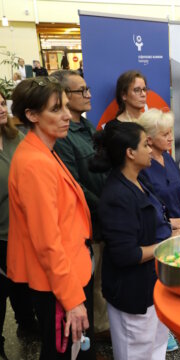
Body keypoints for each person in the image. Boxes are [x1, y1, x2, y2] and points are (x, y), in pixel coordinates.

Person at [8, 77, 94, 359]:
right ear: (32, 115)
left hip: (68, 273)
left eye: (66, 107)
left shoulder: (43, 150)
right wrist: (71, 300)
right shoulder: (35, 163)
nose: (67, 116)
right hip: (60, 283)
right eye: (56, 109)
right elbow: (47, 242)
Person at [92, 122, 172, 359]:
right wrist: (166, 247)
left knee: (156, 346)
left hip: (153, 284)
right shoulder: (117, 195)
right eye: (145, 145)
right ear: (130, 152)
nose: (151, 150)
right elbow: (126, 254)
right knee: (136, 351)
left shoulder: (140, 179)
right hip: (132, 291)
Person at [50, 70, 110, 336]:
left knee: (105, 275)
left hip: (105, 211)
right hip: (91, 218)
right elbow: (75, 186)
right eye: (81, 91)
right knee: (94, 279)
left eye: (87, 89)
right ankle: (98, 330)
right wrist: (105, 206)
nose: (88, 95)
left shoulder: (87, 126)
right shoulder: (63, 137)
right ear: (64, 96)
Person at [136, 108, 180, 352]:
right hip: (162, 233)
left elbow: (179, 189)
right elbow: (147, 207)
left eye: (171, 132)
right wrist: (172, 224)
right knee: (162, 283)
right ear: (148, 139)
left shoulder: (168, 158)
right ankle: (164, 332)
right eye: (165, 134)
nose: (171, 138)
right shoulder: (143, 167)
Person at [0, 91, 37, 360]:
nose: (2, 109)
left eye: (2, 103)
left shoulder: (16, 137)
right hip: (1, 234)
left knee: (22, 285)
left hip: (23, 229)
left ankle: (27, 325)